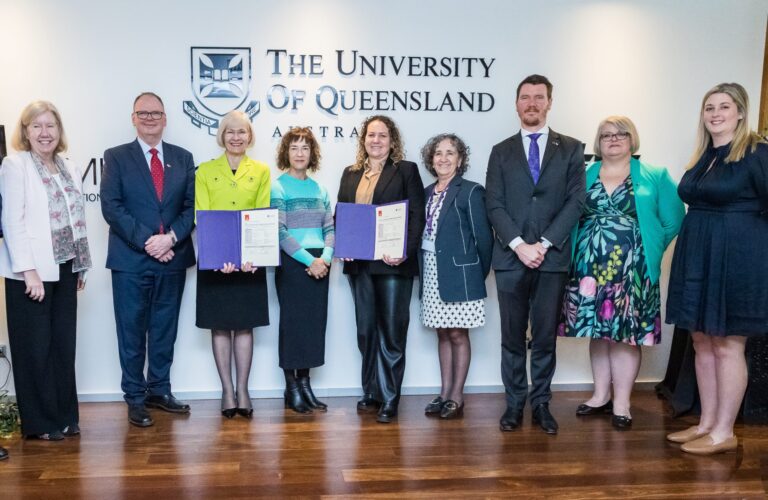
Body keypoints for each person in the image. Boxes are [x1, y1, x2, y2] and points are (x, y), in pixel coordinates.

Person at [560, 116, 684, 430]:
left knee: (627, 336)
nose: (613, 139)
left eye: (621, 134)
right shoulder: (583, 174)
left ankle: (622, 402)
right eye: (606, 135)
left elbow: (673, 222)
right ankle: (600, 395)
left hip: (635, 270)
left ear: (632, 139)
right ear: (598, 143)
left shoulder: (655, 175)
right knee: (598, 332)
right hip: (588, 268)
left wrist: (646, 250)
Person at [665, 82, 768, 455]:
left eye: (724, 107)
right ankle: (707, 423)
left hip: (738, 258)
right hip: (698, 252)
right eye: (709, 107)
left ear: (741, 112)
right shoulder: (705, 155)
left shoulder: (758, 153)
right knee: (701, 340)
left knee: (727, 344)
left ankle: (725, 432)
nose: (716, 114)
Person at [485, 74, 586, 435]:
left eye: (538, 97)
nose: (531, 103)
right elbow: (493, 203)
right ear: (516, 104)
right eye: (525, 97)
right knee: (512, 337)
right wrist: (519, 245)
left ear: (549, 103)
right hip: (511, 259)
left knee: (543, 338)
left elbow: (576, 202)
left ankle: (541, 403)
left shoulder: (572, 148)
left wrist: (542, 245)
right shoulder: (500, 151)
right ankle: (514, 403)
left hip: (551, 259)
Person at [101, 92, 196, 427]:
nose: (150, 118)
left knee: (164, 330)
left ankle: (159, 390)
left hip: (173, 257)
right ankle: (135, 398)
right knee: (131, 332)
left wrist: (169, 239)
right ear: (133, 118)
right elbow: (111, 207)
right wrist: (149, 242)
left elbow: (190, 208)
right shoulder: (116, 157)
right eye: (143, 113)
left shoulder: (183, 158)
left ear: (165, 118)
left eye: (156, 113)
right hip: (130, 261)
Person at [0, 101, 92, 440]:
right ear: (25, 131)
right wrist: (29, 271)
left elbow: (76, 219)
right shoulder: (15, 165)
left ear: (59, 130)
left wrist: (81, 266)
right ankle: (40, 424)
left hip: (65, 268)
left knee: (62, 347)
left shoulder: (68, 165)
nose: (44, 133)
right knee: (34, 349)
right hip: (31, 273)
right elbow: (13, 221)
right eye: (36, 126)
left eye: (50, 126)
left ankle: (65, 416)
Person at [337, 115, 425, 423]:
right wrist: (343, 246)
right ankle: (371, 391)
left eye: (382, 135)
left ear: (392, 140)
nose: (376, 140)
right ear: (363, 139)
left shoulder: (406, 171)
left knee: (392, 332)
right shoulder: (350, 174)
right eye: (371, 135)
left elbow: (416, 215)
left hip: (393, 266)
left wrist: (404, 252)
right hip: (360, 265)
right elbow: (342, 215)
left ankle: (390, 398)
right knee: (365, 331)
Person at [195, 111, 270, 419]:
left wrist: (254, 256)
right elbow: (203, 215)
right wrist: (216, 257)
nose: (236, 137)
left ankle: (243, 389)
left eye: (242, 132)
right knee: (220, 325)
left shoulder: (262, 170)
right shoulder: (205, 171)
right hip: (216, 261)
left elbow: (263, 214)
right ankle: (227, 390)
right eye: (230, 132)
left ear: (249, 137)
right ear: (222, 136)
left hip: (250, 263)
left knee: (244, 325)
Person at [419, 133, 492, 420]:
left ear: (460, 160)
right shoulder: (426, 192)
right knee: (442, 333)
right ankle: (444, 391)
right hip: (432, 272)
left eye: (450, 153)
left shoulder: (471, 191)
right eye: (438, 153)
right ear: (431, 159)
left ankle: (457, 396)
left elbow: (484, 240)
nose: (444, 158)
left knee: (458, 334)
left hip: (462, 274)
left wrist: (475, 273)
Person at [271, 127, 334, 414]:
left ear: (312, 154)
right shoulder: (278, 187)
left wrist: (327, 258)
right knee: (292, 326)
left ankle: (306, 385)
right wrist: (310, 261)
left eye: (305, 148)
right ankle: (291, 388)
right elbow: (280, 232)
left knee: (312, 326)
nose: (299, 153)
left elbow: (330, 228)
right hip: (295, 263)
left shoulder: (320, 189)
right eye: (294, 147)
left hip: (322, 264)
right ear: (287, 153)